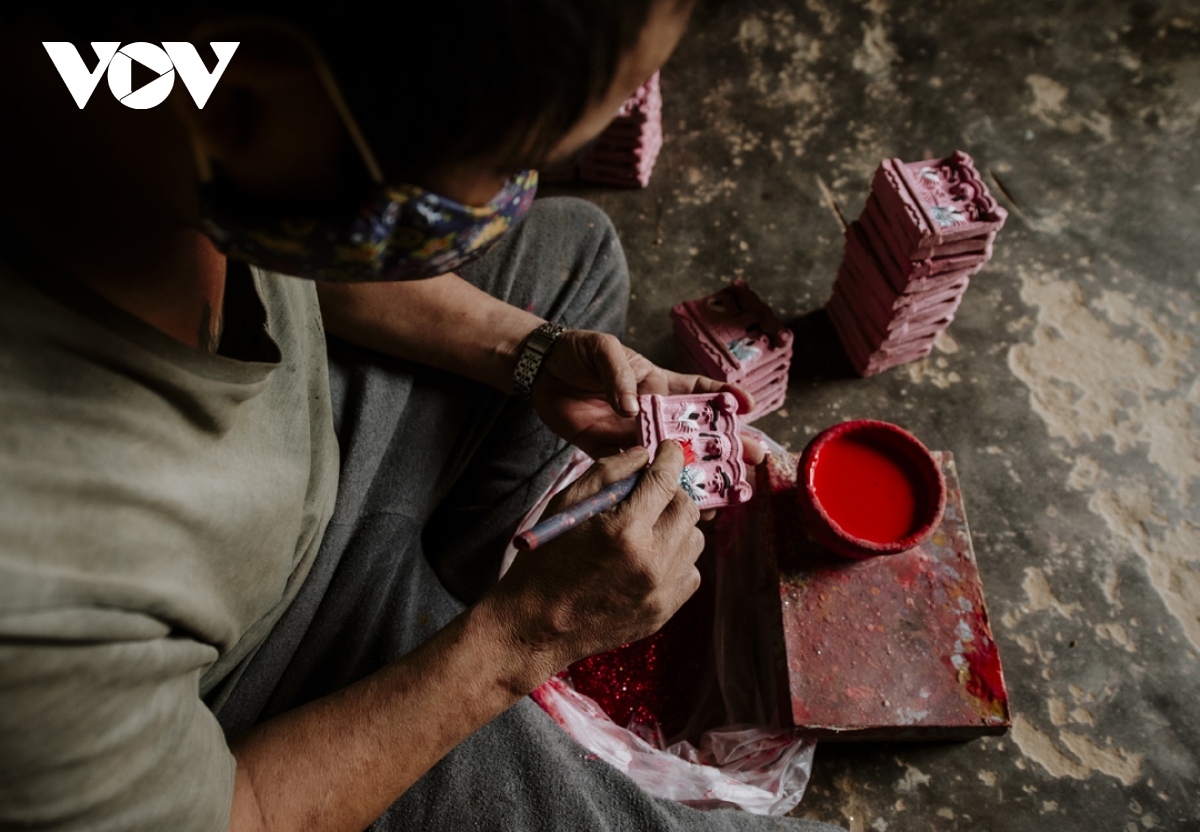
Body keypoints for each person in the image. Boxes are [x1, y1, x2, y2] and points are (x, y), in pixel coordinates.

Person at [0, 3, 845, 830]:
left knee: (576, 256)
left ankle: (436, 608)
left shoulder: (131, 76)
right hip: (256, 676)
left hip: (297, 464)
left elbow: (286, 229)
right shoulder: (41, 589)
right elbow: (235, 815)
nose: (513, 195)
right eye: (511, 160)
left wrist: (527, 354)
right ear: (247, 101)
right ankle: (432, 641)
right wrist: (520, 641)